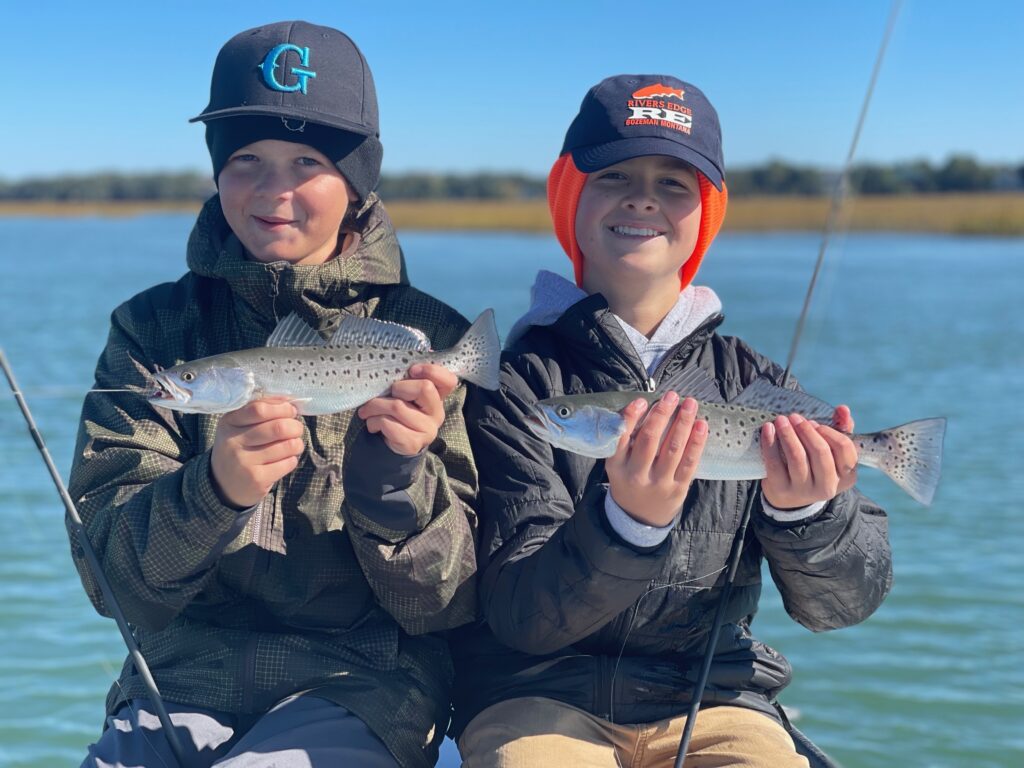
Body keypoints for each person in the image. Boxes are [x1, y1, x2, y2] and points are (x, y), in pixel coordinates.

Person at [68, 20, 479, 768]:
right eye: (246, 159)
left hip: (370, 686)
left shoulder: (424, 337)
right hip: (177, 681)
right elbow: (112, 586)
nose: (273, 190)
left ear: (357, 183)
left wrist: (394, 488)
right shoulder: (151, 330)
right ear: (217, 170)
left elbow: (448, 605)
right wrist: (214, 490)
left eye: (307, 162)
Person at [451, 74, 892, 767]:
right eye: (614, 175)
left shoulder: (758, 382)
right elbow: (521, 619)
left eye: (675, 183)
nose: (643, 198)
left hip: (715, 698)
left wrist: (808, 512)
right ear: (569, 197)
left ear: (706, 214)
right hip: (536, 697)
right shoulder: (517, 387)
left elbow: (841, 605)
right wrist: (628, 525)